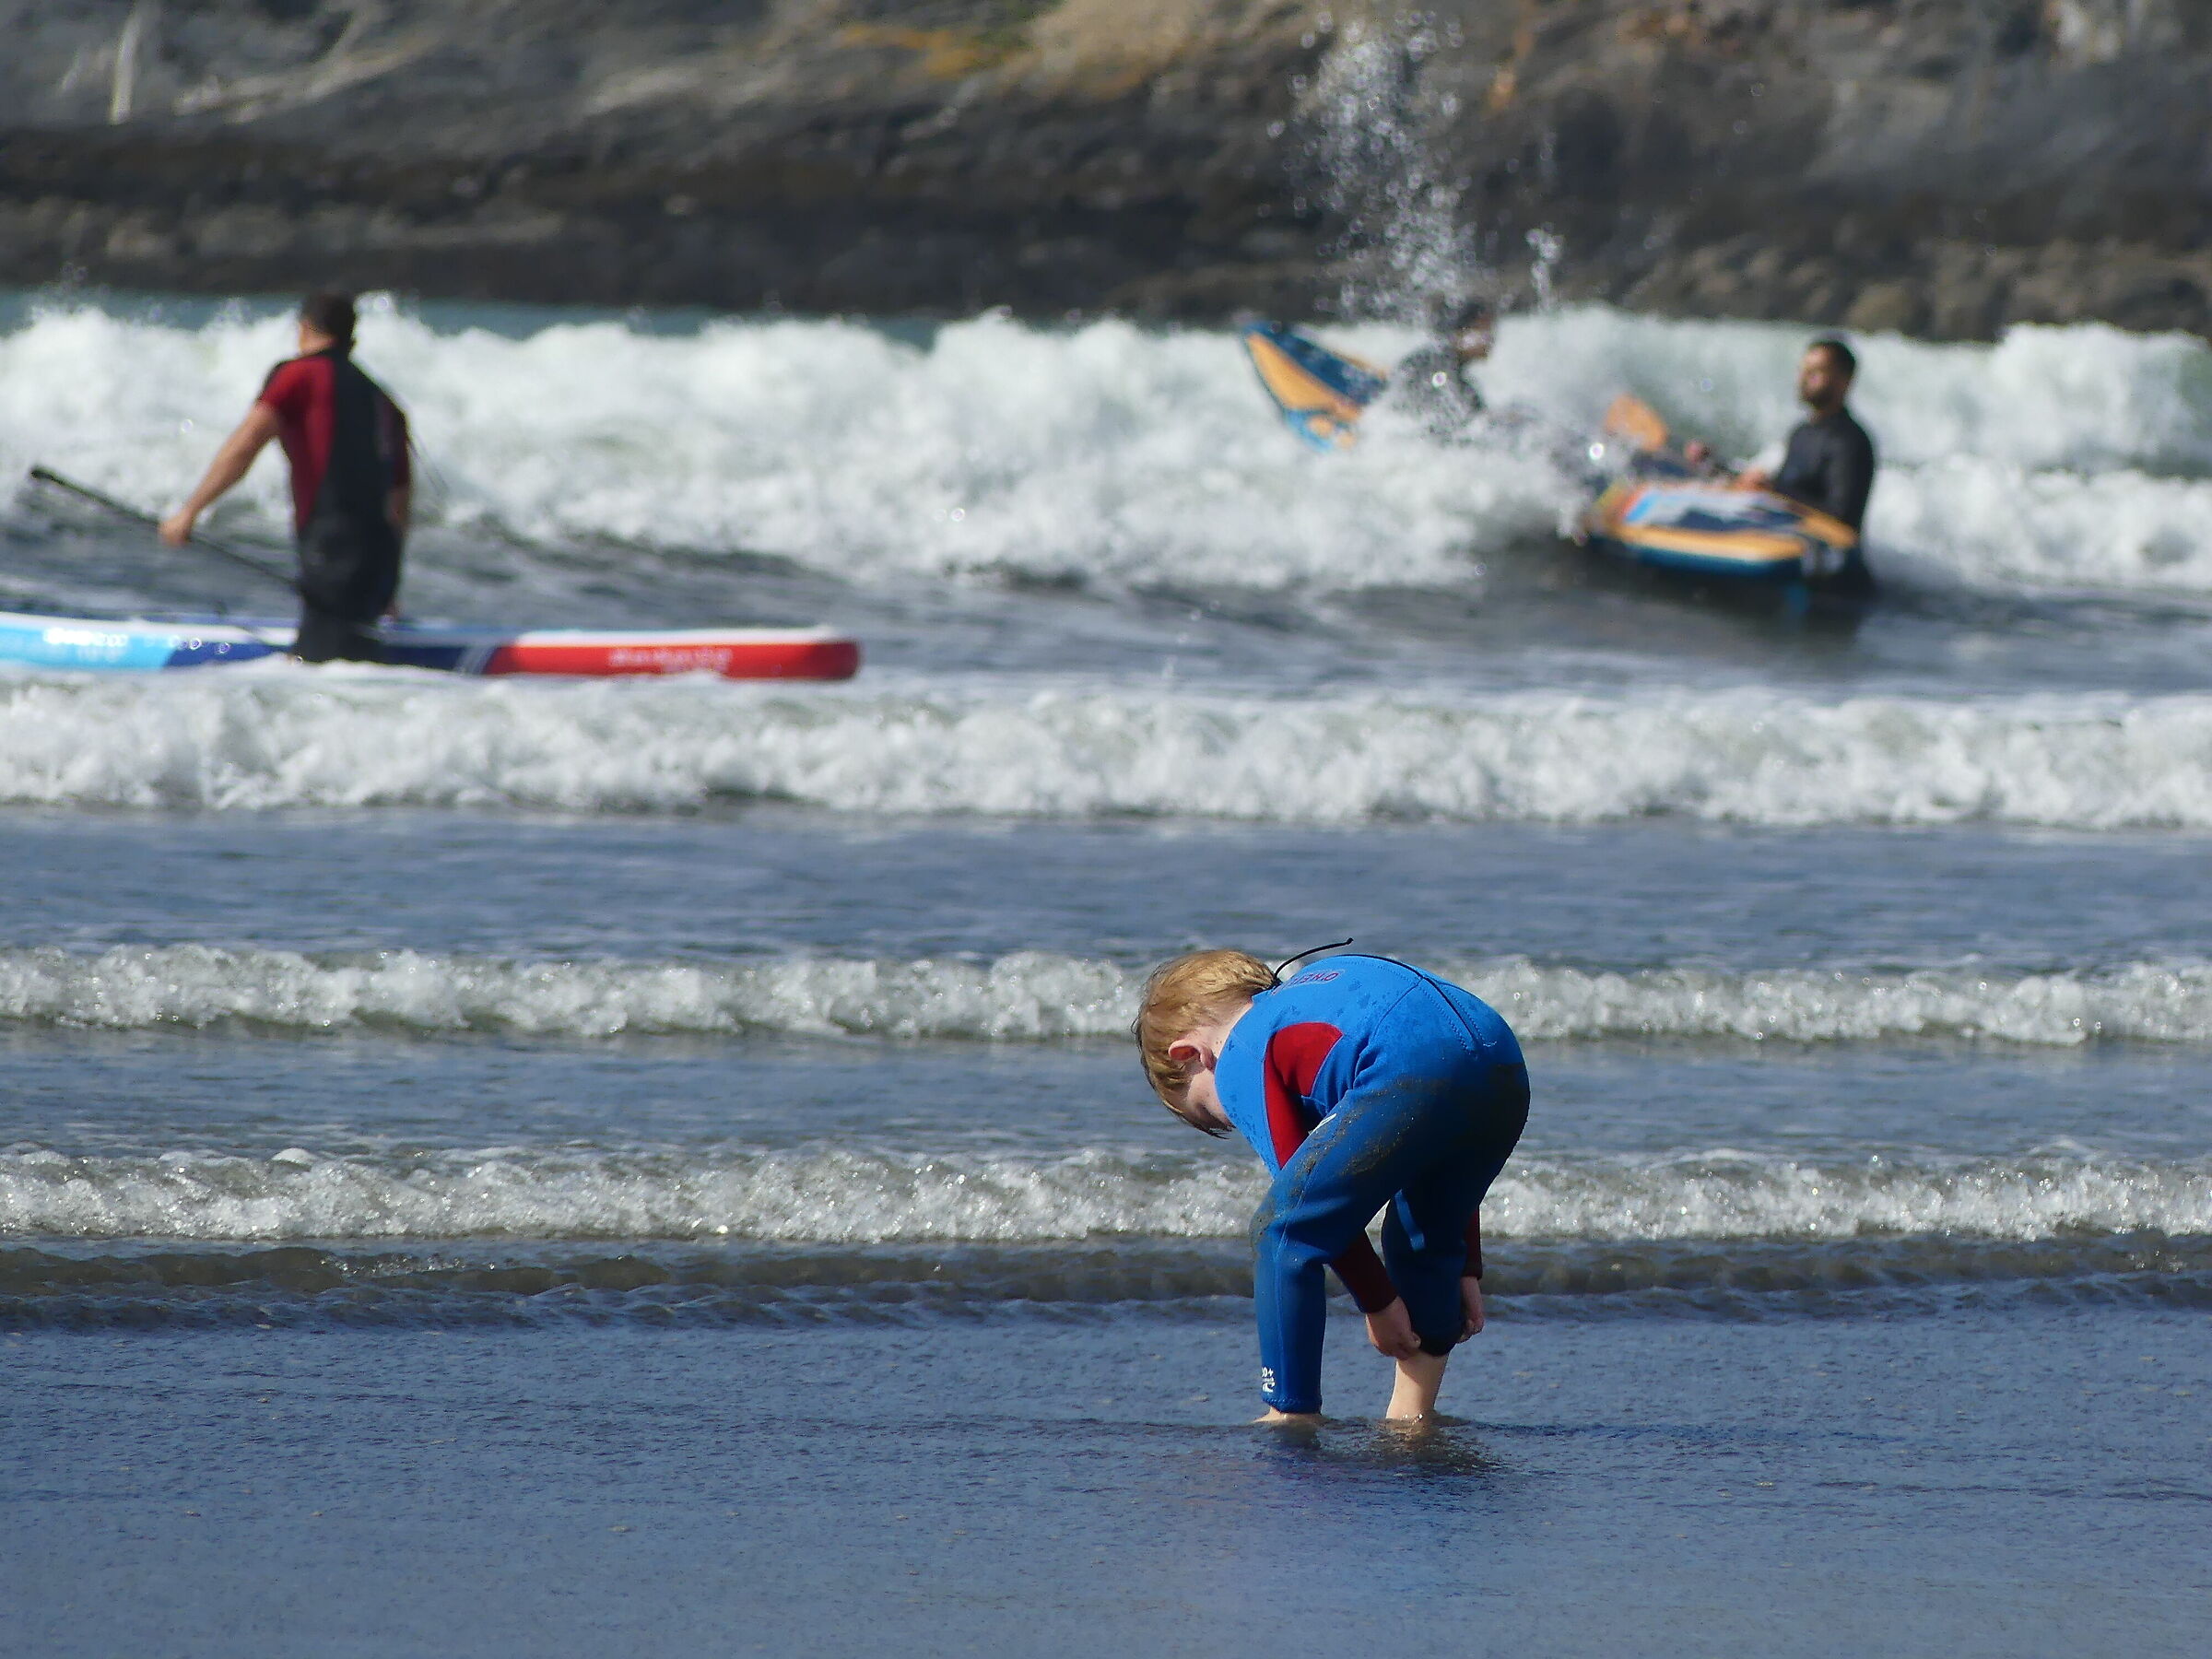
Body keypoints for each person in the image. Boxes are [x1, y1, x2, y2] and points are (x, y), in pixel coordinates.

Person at [1134, 947, 1529, 1423]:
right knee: (1427, 1230)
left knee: (1281, 1234)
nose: (1234, 1117)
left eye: (1210, 1110)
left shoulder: (1240, 1052)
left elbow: (1302, 1211)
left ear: (1192, 1056)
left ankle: (1290, 1415)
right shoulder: (1310, 992)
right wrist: (1464, 1263)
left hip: (1406, 1065)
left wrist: (1378, 1302)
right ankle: (1412, 1417)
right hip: (1497, 1052)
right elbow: (1442, 1141)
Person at [161, 291, 411, 663]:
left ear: (304, 328)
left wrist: (189, 511)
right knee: (358, 659)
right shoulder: (381, 398)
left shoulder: (297, 376)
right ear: (351, 337)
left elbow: (244, 447)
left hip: (332, 549)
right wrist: (389, 580)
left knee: (321, 671)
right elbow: (400, 498)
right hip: (379, 556)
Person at [1695, 336, 1877, 592]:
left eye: (1816, 372)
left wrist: (1772, 491)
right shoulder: (1801, 432)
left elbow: (1842, 516)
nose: (1803, 378)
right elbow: (1782, 488)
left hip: (1830, 584)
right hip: (1787, 564)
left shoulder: (1850, 442)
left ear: (1843, 381)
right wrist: (1714, 465)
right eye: (1803, 370)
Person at [1389, 300, 1493, 437]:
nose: (1491, 339)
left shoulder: (1461, 381)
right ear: (1461, 333)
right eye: (1483, 331)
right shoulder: (1433, 365)